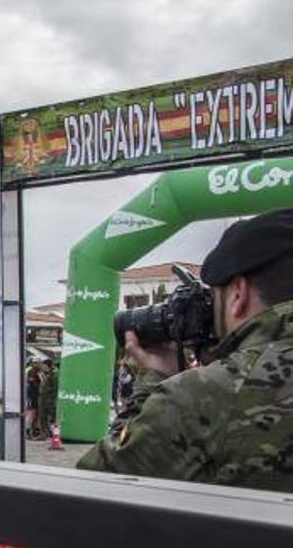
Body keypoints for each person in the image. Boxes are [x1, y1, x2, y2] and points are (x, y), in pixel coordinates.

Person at [79, 208, 293, 489]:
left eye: (214, 298)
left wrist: (154, 379)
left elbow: (98, 484)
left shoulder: (207, 395)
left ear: (238, 295)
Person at [37, 359, 58, 438]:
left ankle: (54, 434)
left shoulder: (53, 375)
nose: (41, 366)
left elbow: (55, 388)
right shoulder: (46, 374)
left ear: (46, 365)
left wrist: (52, 398)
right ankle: (44, 433)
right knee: (42, 416)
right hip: (43, 398)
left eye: (43, 365)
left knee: (53, 417)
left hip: (49, 399)